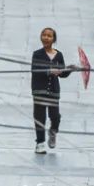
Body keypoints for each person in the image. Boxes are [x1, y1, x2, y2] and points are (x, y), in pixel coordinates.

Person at [30, 26, 72, 154]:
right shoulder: (37, 54)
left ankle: (53, 131)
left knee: (55, 116)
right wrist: (49, 71)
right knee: (40, 116)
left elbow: (62, 73)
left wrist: (69, 69)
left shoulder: (58, 55)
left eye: (49, 36)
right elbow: (35, 70)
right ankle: (40, 142)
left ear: (54, 39)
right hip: (39, 90)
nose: (46, 38)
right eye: (44, 35)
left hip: (53, 91)